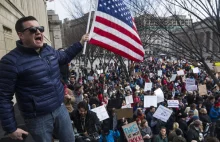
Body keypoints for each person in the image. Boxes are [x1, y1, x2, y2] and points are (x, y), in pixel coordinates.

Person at [0, 16, 89, 142]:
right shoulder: (10, 62)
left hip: (60, 108)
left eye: (40, 28)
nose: (38, 32)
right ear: (21, 35)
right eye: (32, 30)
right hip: (37, 118)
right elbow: (3, 97)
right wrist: (11, 128)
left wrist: (80, 43)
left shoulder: (48, 50)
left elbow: (64, 56)